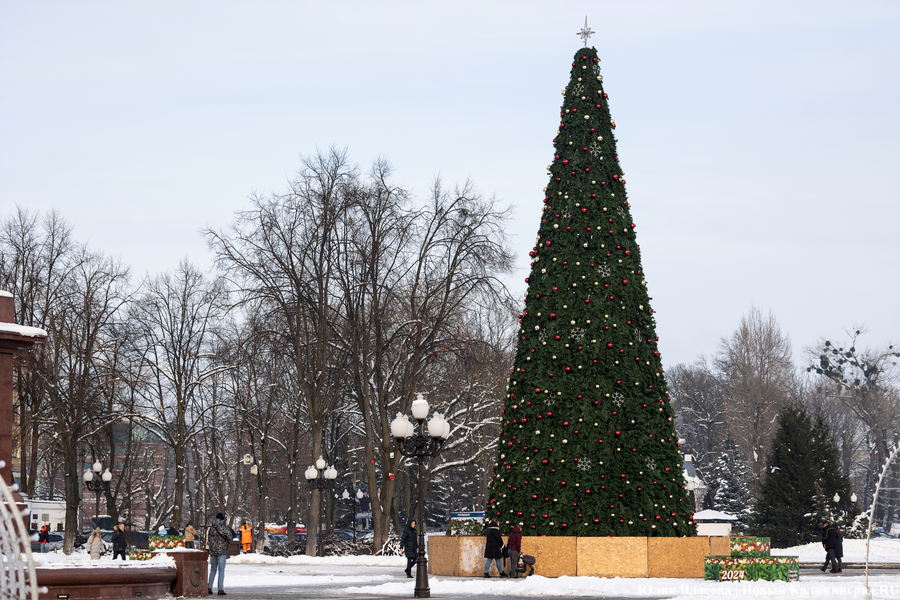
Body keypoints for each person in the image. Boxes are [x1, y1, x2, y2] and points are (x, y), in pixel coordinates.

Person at [208, 513, 231, 595]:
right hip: (221, 551)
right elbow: (229, 536)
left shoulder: (211, 528)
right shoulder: (223, 527)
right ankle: (220, 589)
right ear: (222, 519)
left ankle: (209, 588)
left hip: (213, 551)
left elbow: (209, 540)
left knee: (213, 569)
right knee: (221, 570)